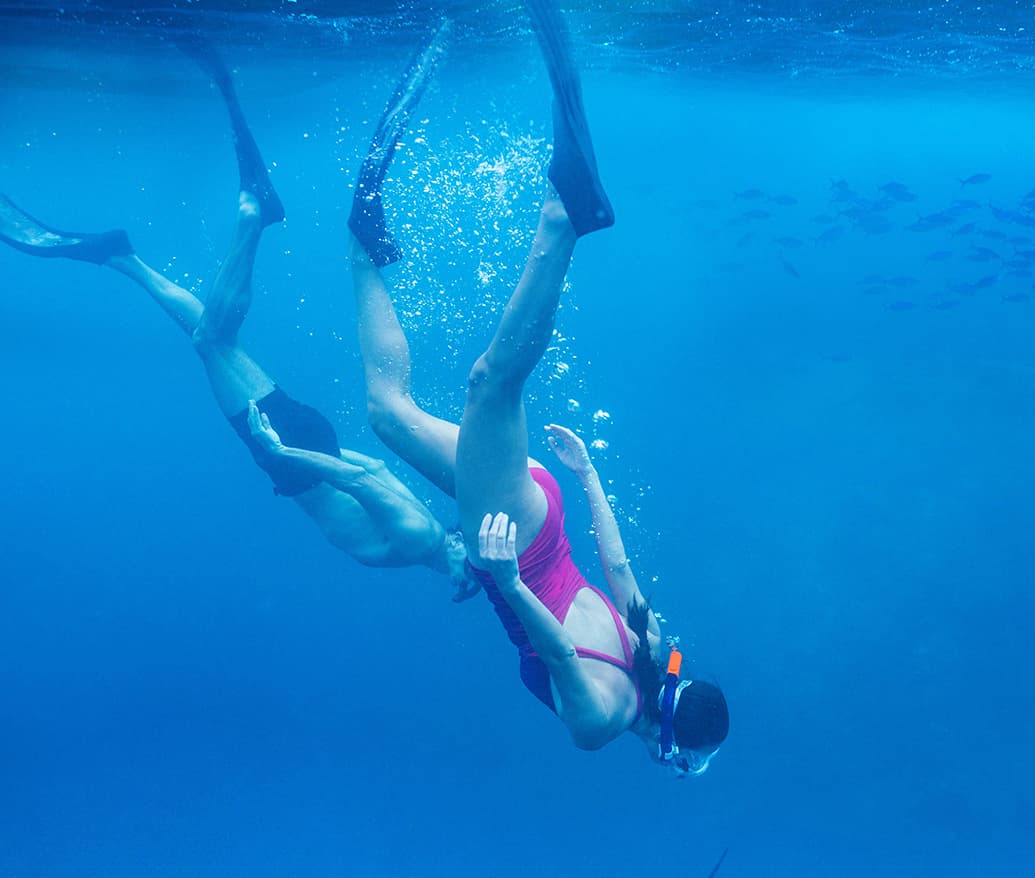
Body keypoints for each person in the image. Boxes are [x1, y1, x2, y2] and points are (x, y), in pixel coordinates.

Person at [347, 9, 730, 773]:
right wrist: (504, 579)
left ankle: (364, 245)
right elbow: (555, 651)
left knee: (387, 415)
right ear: (667, 742)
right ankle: (564, 220)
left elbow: (618, 569)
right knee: (491, 387)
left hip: (538, 514)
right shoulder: (608, 718)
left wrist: (588, 480)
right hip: (513, 541)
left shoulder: (657, 649)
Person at [0, 40, 478, 598]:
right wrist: (282, 451)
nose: (468, 582)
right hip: (292, 454)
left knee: (211, 337)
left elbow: (371, 468)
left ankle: (119, 255)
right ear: (460, 547)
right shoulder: (418, 541)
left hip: (304, 448)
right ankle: (252, 213)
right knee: (210, 341)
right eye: (473, 575)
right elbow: (353, 478)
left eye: (471, 582)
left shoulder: (421, 528)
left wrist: (304, 451)